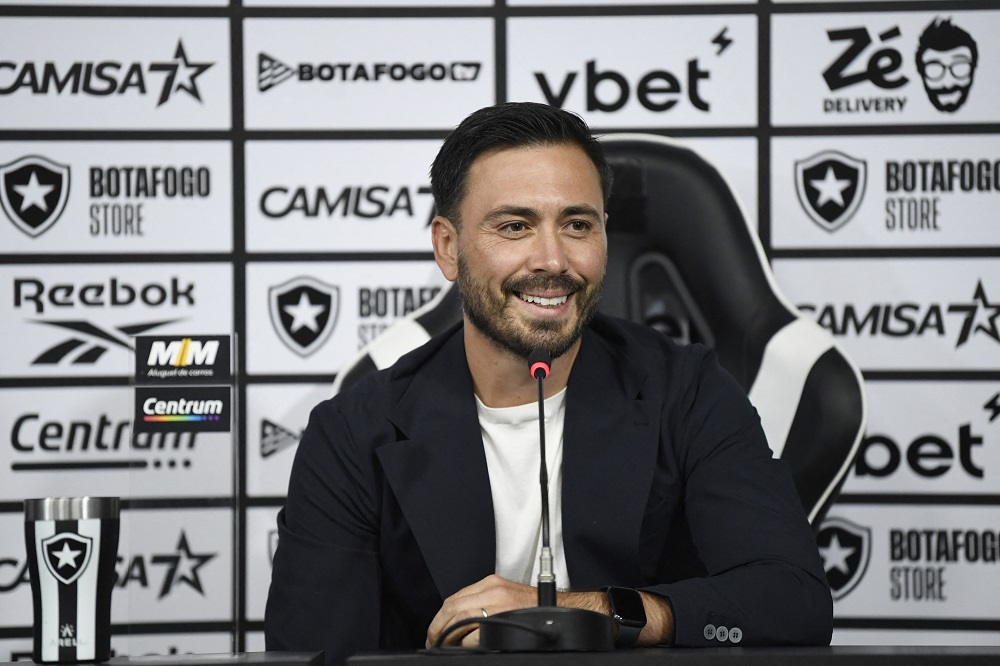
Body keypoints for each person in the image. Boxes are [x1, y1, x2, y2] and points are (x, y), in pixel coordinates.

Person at [265, 102, 833, 665]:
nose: (553, 260)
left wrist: (588, 614)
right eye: (515, 226)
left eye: (577, 225)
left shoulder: (687, 391)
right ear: (448, 247)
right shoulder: (352, 432)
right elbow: (314, 656)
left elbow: (794, 603)